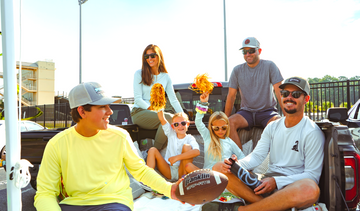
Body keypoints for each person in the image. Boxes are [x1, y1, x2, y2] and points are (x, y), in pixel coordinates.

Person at [34, 82, 182, 211]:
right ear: (82, 111)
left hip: (114, 203)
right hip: (74, 204)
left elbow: (141, 171)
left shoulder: (120, 136)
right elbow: (45, 193)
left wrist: (169, 189)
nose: (110, 111)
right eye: (102, 107)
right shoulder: (57, 144)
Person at [213, 77, 325, 210]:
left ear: (306, 99)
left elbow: (312, 175)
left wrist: (276, 182)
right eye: (284, 94)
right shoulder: (273, 126)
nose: (289, 98)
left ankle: (246, 209)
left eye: (295, 94)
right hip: (265, 182)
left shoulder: (312, 132)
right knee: (219, 167)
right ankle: (266, 206)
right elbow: (256, 156)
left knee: (310, 189)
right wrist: (237, 164)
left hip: (291, 187)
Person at [225, 37, 285, 150]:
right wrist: (224, 118)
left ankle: (268, 161)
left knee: (278, 123)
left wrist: (287, 116)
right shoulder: (237, 70)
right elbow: (231, 96)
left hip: (267, 112)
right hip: (246, 112)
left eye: (251, 51)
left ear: (259, 51)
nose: (248, 54)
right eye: (244, 51)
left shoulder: (269, 66)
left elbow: (279, 92)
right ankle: (241, 159)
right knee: (229, 123)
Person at [132, 44, 183, 150]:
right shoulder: (139, 74)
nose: (149, 59)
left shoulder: (166, 77)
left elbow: (173, 100)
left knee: (168, 125)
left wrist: (183, 116)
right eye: (147, 56)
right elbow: (138, 99)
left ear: (159, 56)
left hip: (158, 115)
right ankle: (154, 152)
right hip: (140, 112)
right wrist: (155, 111)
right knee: (169, 118)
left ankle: (160, 156)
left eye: (152, 55)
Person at [185, 92, 245, 173]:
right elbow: (198, 122)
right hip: (207, 175)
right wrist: (203, 103)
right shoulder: (208, 136)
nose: (220, 131)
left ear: (227, 126)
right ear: (211, 127)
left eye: (223, 128)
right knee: (188, 166)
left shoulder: (229, 141)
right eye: (216, 128)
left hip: (223, 175)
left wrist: (236, 160)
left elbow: (242, 157)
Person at [146, 110, 200, 180]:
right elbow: (162, 119)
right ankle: (147, 178)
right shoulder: (171, 133)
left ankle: (184, 179)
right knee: (152, 150)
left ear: (188, 124)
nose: (180, 126)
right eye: (176, 124)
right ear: (173, 126)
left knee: (187, 147)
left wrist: (177, 157)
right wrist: (159, 107)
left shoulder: (190, 138)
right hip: (168, 169)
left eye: (183, 123)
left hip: (182, 170)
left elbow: (197, 152)